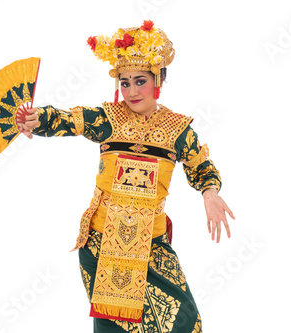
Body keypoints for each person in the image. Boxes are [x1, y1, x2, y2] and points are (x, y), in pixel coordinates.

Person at [20, 20, 234, 332]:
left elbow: (201, 166)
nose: (131, 91)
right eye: (124, 83)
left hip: (152, 244)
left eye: (140, 81)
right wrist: (36, 119)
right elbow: (66, 119)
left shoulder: (177, 129)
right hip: (103, 242)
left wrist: (210, 193)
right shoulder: (107, 119)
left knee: (185, 323)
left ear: (158, 79)